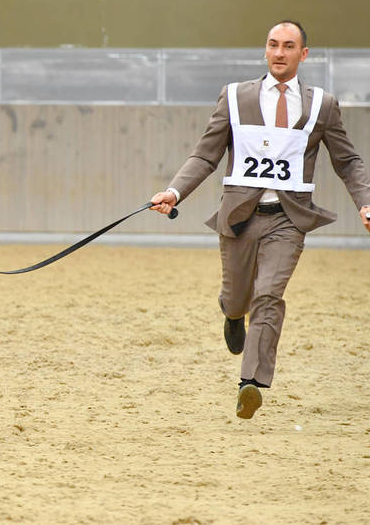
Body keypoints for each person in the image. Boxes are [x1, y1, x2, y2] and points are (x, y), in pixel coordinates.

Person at [149, 21, 370, 420]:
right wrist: (174, 191)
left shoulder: (323, 104)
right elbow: (205, 154)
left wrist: (365, 202)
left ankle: (250, 383)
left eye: (288, 46)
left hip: (289, 218)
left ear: (303, 54)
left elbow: (348, 161)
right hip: (239, 216)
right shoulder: (235, 97)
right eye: (273, 45)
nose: (279, 53)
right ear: (264, 51)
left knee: (268, 295)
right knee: (238, 298)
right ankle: (232, 314)